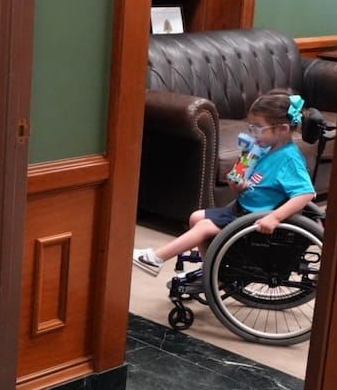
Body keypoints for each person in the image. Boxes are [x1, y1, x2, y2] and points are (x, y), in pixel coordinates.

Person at [133, 89, 317, 276]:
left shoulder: (289, 159)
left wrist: (275, 217)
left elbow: (305, 193)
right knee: (196, 217)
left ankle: (156, 258)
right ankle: (213, 272)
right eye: (250, 127)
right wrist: (238, 184)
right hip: (242, 209)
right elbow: (258, 184)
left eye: (258, 128)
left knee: (203, 227)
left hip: (255, 218)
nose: (252, 133)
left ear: (282, 130)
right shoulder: (265, 149)